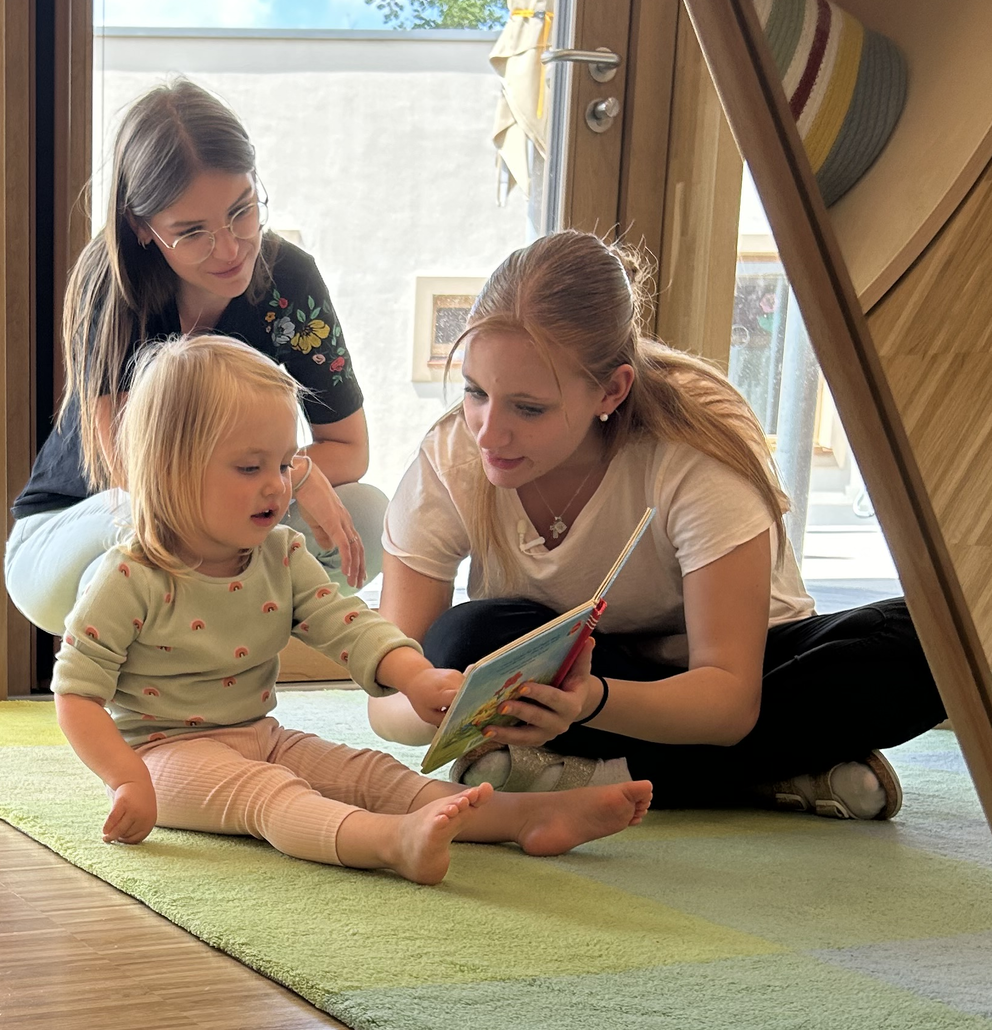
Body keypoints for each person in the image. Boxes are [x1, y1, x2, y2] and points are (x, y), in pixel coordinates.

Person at [370, 230, 945, 820]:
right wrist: (428, 698)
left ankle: (589, 778)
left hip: (735, 677)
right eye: (474, 392)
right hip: (579, 681)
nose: (489, 432)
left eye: (529, 407)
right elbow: (386, 684)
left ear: (611, 389)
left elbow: (729, 702)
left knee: (943, 639)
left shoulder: (696, 447)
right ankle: (777, 770)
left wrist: (591, 701)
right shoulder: (451, 456)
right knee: (464, 641)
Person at [51, 334, 653, 884]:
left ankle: (527, 817)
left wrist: (413, 676)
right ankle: (393, 843)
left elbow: (348, 623)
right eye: (249, 467)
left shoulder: (280, 554)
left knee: (373, 774)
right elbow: (76, 694)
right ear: (171, 470)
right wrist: (125, 779)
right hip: (161, 758)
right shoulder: (129, 576)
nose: (278, 486)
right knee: (273, 797)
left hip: (260, 734)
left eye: (285, 464)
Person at [6, 78, 384, 637]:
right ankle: (128, 693)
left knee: (368, 516)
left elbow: (349, 448)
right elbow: (140, 479)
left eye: (242, 211)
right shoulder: (110, 286)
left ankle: (218, 673)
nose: (230, 249)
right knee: (149, 527)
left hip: (213, 526)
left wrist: (291, 474)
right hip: (77, 533)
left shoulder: (290, 279)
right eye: (192, 233)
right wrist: (291, 473)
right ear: (141, 228)